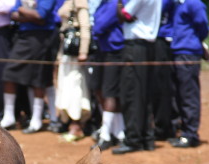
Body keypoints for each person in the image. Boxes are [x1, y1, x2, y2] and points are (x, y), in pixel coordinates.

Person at [0, 0, 59, 134]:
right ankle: (8, 117)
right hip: (23, 36)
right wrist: (31, 16)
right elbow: (13, 14)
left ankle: (36, 120)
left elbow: (40, 15)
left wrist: (22, 10)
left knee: (38, 78)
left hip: (43, 37)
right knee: (9, 74)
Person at [111, 0, 161, 155]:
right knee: (144, 93)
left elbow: (124, 15)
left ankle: (133, 139)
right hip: (149, 46)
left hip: (135, 47)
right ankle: (147, 137)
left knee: (131, 94)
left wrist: (119, 4)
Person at [168, 0, 208, 148]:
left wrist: (192, 41)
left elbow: (203, 27)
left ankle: (191, 135)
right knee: (179, 95)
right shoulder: (178, 4)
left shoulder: (194, 3)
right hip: (177, 51)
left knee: (188, 95)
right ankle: (183, 131)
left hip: (188, 53)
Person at [55, 0, 91, 141]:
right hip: (66, 51)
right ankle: (70, 123)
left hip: (75, 54)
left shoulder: (80, 2)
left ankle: (77, 126)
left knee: (75, 87)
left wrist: (83, 52)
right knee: (66, 87)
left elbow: (85, 27)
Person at [91, 0, 124, 150]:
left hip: (114, 52)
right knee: (97, 88)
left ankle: (105, 135)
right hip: (101, 51)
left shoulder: (114, 3)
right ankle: (118, 131)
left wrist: (94, 28)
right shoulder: (103, 3)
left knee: (110, 92)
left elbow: (99, 25)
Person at [152, 0, 175, 140]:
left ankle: (164, 128)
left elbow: (155, 9)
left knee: (162, 87)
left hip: (162, 40)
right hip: (151, 40)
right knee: (154, 87)